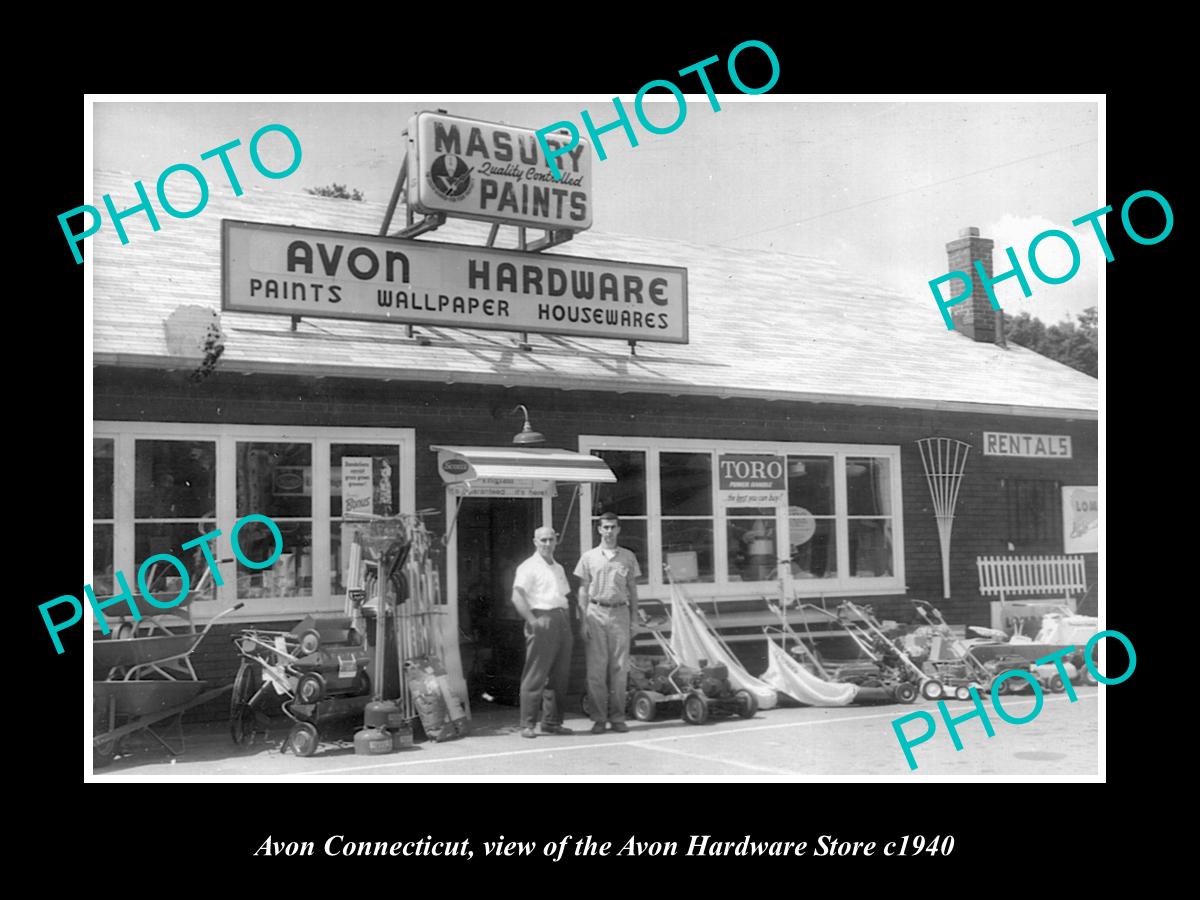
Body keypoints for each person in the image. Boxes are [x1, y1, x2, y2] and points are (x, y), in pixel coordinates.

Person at [575, 512, 642, 734]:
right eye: (605, 527)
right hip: (596, 613)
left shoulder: (628, 557)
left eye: (613, 527)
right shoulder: (588, 557)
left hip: (620, 613)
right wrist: (583, 620)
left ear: (619, 529)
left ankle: (618, 717)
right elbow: (583, 589)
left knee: (620, 669)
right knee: (596, 670)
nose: (609, 531)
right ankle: (599, 718)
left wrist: (634, 619)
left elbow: (632, 589)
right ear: (599, 530)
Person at [510, 526, 575, 739]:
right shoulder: (528, 567)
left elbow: (563, 595)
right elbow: (517, 597)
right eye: (543, 540)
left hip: (561, 619)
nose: (548, 544)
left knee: (560, 675)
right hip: (541, 618)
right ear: (535, 542)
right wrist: (532, 621)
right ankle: (527, 724)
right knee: (535, 674)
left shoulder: (557, 567)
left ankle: (552, 723)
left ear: (556, 541)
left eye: (551, 540)